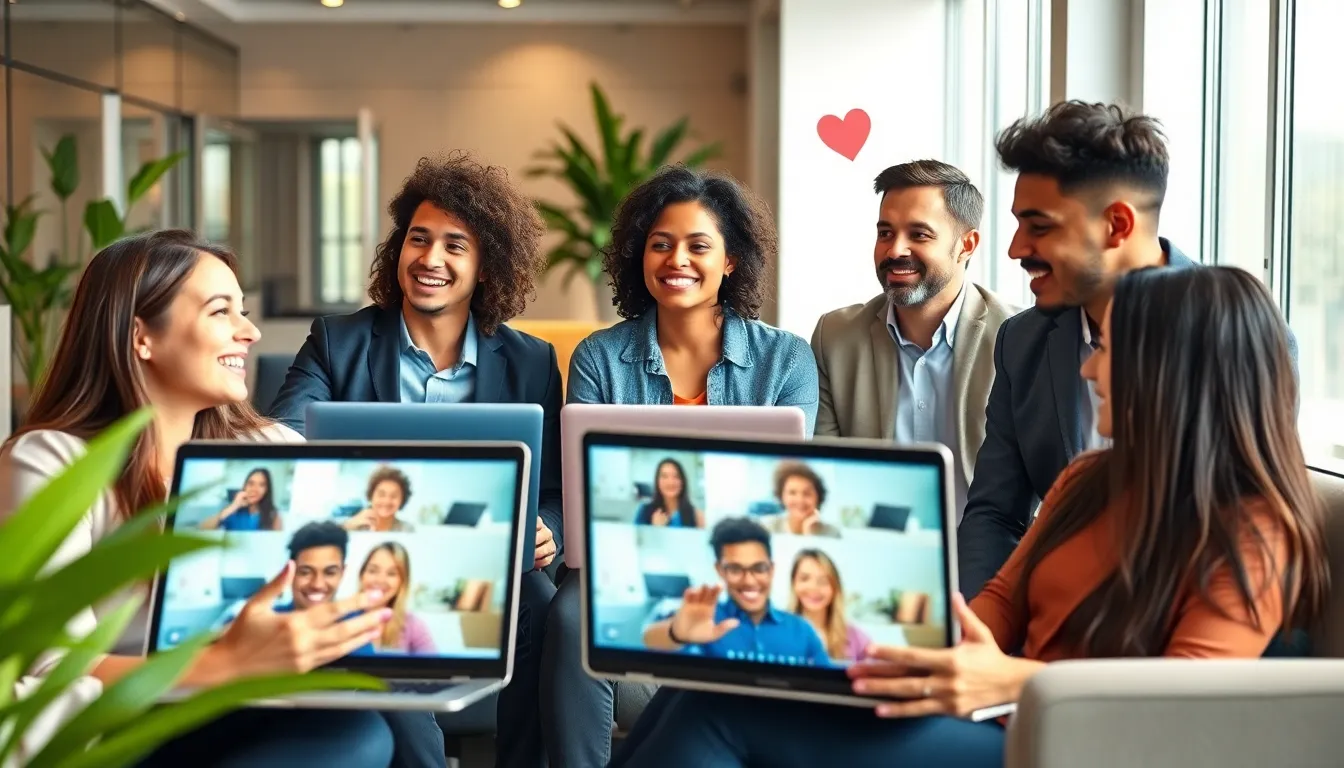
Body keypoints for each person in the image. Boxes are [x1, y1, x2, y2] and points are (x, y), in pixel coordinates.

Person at [608, 265, 1329, 768]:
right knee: (715, 676)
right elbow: (1002, 605)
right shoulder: (1090, 479)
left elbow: (1181, 711)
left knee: (728, 713)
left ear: (1170, 368)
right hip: (994, 711)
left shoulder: (1254, 530)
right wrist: (916, 641)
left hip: (1066, 747)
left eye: (1106, 349)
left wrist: (1010, 682)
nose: (1086, 367)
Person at [0, 230, 396, 767]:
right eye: (220, 312)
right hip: (120, 732)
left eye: (244, 311)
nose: (250, 331)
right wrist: (227, 662)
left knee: (367, 728)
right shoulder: (54, 462)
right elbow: (50, 680)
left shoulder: (270, 448)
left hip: (249, 706)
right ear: (142, 336)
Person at [268, 152, 558, 768]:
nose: (430, 259)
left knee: (541, 604)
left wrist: (547, 530)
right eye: (418, 239)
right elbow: (283, 436)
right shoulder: (336, 341)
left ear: (486, 267)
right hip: (367, 551)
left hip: (485, 556)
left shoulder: (531, 361)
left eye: (456, 246)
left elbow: (553, 486)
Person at [540, 165, 819, 767]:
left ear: (731, 262)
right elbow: (587, 490)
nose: (677, 260)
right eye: (660, 244)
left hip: (744, 565)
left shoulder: (786, 358)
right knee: (569, 615)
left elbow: (786, 492)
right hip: (622, 561)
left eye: (698, 245)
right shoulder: (599, 356)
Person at [958, 101, 1292, 598]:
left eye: (1040, 226)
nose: (1015, 249)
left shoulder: (1239, 335)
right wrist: (978, 633)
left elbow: (1242, 532)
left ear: (1116, 225)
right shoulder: (1022, 341)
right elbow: (995, 512)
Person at [810, 160, 1016, 518]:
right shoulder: (836, 338)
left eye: (918, 235)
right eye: (885, 233)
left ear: (966, 245)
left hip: (993, 556)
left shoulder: (1017, 336)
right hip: (873, 549)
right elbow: (827, 477)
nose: (894, 251)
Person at [642, 517, 829, 663]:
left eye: (759, 568)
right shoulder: (702, 619)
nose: (749, 580)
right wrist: (678, 633)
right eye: (735, 569)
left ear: (771, 569)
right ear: (719, 570)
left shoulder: (801, 630)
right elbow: (648, 639)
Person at [789, 549, 871, 662]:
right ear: (794, 584)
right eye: (805, 579)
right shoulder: (777, 632)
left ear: (835, 588)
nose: (814, 588)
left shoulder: (856, 638)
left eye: (823, 581)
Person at [359, 542, 436, 655]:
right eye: (373, 571)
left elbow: (434, 669)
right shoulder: (342, 619)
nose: (380, 580)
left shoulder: (413, 625)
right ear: (362, 575)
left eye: (391, 574)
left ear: (402, 582)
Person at [757, 461, 839, 537]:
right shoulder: (767, 527)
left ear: (818, 497)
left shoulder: (831, 533)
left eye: (807, 494)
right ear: (782, 496)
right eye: (792, 493)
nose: (800, 500)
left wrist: (808, 533)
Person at [200, 467, 281, 531]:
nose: (254, 489)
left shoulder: (273, 514)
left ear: (267, 490)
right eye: (251, 483)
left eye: (261, 485)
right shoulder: (232, 510)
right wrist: (233, 506)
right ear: (245, 486)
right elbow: (202, 528)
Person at [634, 458, 704, 528]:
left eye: (676, 477)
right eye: (664, 476)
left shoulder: (696, 515)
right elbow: (637, 538)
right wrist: (655, 529)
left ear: (683, 481)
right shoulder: (644, 511)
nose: (670, 482)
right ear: (657, 481)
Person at [344, 465, 416, 532]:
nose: (387, 501)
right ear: (371, 495)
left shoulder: (406, 529)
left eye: (394, 496)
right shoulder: (355, 524)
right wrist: (350, 525)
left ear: (402, 500)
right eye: (381, 494)